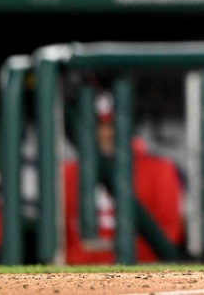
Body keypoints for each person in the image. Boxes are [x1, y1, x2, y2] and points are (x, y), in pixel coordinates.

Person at [63, 90, 185, 265]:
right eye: (99, 125)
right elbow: (60, 239)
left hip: (140, 279)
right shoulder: (69, 173)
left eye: (112, 125)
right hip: (80, 278)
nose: (106, 133)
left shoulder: (159, 170)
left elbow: (169, 235)